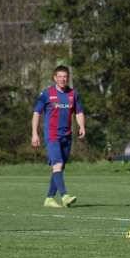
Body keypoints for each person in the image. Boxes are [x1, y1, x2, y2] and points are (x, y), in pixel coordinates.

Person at [31, 65, 86, 208]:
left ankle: (49, 198)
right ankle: (64, 196)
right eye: (60, 76)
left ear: (68, 78)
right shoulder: (47, 93)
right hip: (52, 135)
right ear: (55, 78)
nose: (62, 79)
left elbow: (79, 112)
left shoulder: (73, 94)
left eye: (65, 76)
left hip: (67, 136)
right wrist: (35, 133)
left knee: (59, 168)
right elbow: (37, 113)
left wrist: (82, 126)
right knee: (58, 164)